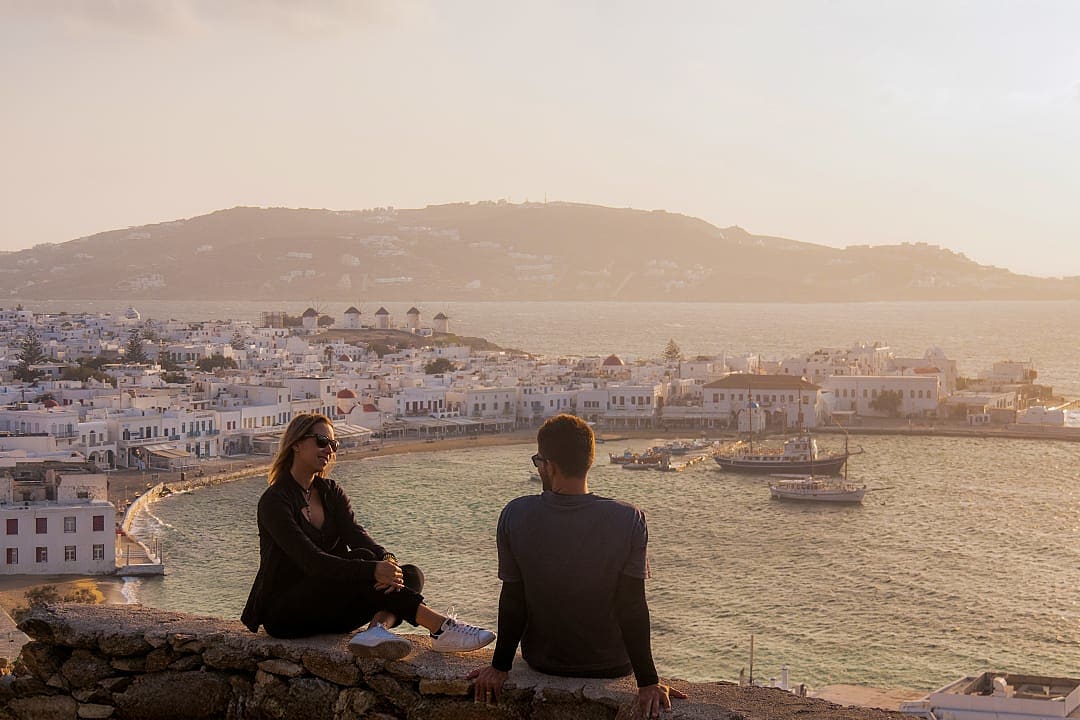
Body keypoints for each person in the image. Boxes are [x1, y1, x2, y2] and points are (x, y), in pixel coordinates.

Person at [469, 414, 686, 718]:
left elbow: (514, 599)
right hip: (611, 665)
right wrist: (648, 681)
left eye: (538, 461)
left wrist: (499, 666)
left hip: (543, 660)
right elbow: (632, 606)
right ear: (589, 462)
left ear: (550, 465)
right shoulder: (629, 519)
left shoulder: (515, 515)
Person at [242, 412, 494, 659]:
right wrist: (371, 569)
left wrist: (387, 560)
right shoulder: (275, 501)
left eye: (333, 444)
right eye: (321, 441)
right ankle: (440, 627)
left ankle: (376, 630)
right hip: (287, 613)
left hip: (331, 609)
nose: (328, 450)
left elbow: (357, 536)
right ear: (296, 444)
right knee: (365, 564)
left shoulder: (330, 492)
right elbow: (311, 561)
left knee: (409, 573)